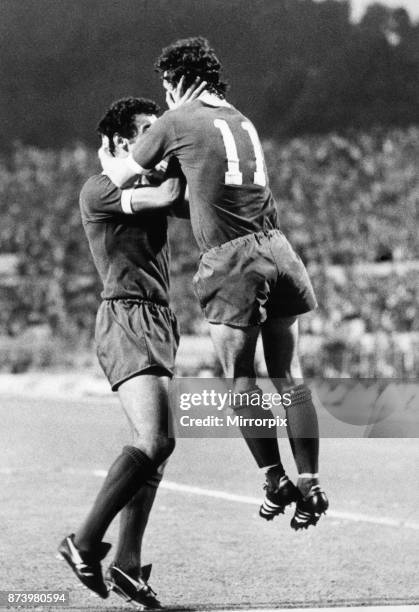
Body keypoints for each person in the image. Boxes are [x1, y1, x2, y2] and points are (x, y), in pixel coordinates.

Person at [100, 38, 329, 530]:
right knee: (288, 374)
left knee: (241, 376)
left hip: (233, 260)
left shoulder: (177, 119)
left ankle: (273, 477)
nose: (164, 99)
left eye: (166, 87)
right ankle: (310, 478)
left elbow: (121, 175)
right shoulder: (243, 119)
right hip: (279, 249)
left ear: (178, 81)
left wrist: (107, 155)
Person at [58, 96, 189, 607]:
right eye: (146, 133)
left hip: (159, 318)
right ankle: (83, 542)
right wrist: (182, 138)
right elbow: (174, 192)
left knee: (157, 447)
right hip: (125, 316)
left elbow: (186, 197)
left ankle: (128, 565)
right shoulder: (101, 188)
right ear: (116, 143)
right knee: (154, 438)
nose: (155, 143)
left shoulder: (142, 179)